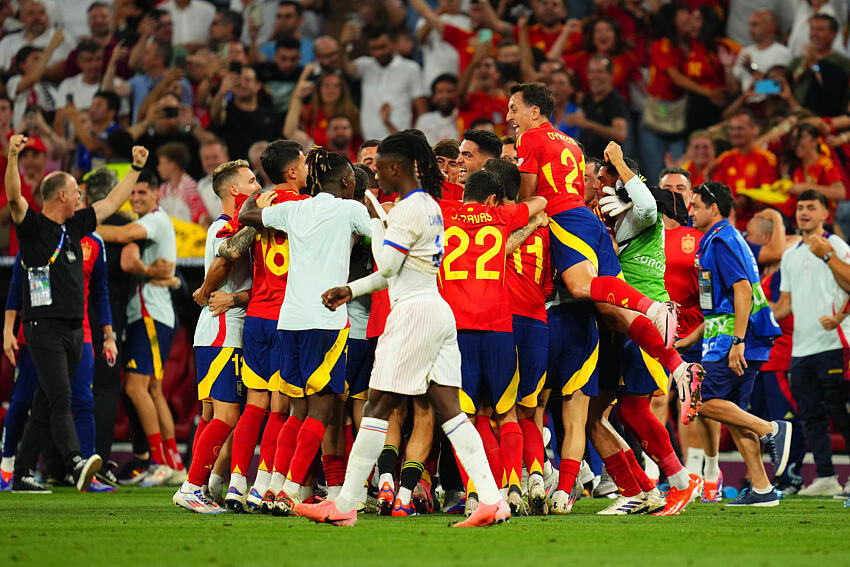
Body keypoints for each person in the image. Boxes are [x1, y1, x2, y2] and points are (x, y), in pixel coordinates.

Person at [296, 130, 509, 527]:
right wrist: (349, 289)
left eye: (380, 168)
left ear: (397, 168)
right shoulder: (429, 204)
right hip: (435, 309)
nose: (376, 175)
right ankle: (493, 500)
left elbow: (389, 268)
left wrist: (377, 227)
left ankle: (344, 505)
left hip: (412, 314)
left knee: (378, 404)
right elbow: (397, 270)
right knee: (450, 409)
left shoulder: (409, 210)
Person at [4, 134, 148, 493]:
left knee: (43, 401)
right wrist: (11, 157)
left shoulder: (75, 226)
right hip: (43, 328)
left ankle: (21, 471)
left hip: (73, 328)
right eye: (75, 191)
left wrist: (136, 169)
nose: (83, 198)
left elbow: (112, 201)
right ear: (62, 196)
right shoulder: (34, 229)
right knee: (61, 398)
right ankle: (75, 462)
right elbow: (14, 197)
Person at [236, 146, 367, 515]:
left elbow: (248, 214)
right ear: (347, 181)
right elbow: (382, 238)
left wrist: (258, 197)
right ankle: (291, 490)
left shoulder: (294, 208)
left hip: (289, 319)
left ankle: (273, 486)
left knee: (296, 409)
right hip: (326, 319)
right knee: (322, 409)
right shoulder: (349, 209)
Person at [438, 168, 546, 516]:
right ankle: (515, 483)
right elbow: (540, 202)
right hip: (499, 328)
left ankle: (475, 493)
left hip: (456, 332)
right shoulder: (500, 215)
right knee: (507, 412)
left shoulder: (443, 211)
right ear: (491, 199)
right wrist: (533, 221)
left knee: (464, 417)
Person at [209, 140, 310, 513]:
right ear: (292, 170)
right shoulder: (306, 207)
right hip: (289, 318)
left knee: (254, 405)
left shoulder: (256, 206)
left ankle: (237, 484)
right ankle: (264, 485)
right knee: (281, 408)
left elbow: (230, 249)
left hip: (256, 317)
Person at [689, 181, 791, 506]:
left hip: (733, 337)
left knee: (701, 402)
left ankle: (771, 429)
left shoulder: (721, 240)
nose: (691, 210)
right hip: (735, 335)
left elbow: (743, 289)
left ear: (713, 208)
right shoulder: (724, 239)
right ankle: (762, 489)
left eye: (696, 205)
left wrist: (738, 341)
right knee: (733, 413)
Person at [173, 159, 259, 513]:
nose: (258, 185)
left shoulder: (222, 226)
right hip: (225, 329)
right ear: (235, 190)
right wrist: (213, 289)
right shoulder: (228, 227)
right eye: (252, 180)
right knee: (225, 415)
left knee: (211, 416)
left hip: (214, 329)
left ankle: (200, 485)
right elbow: (225, 263)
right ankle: (193, 487)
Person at [96, 169, 181, 487]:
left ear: (156, 193)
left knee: (134, 387)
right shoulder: (153, 224)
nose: (136, 197)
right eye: (133, 193)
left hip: (151, 315)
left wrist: (82, 225)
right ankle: (172, 463)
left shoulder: (155, 221)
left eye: (142, 192)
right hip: (150, 314)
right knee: (152, 390)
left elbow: (121, 236)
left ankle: (158, 461)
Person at [770, 191, 850, 497]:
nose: (803, 212)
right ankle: (827, 475)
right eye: (800, 207)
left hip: (833, 342)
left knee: (839, 412)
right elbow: (785, 305)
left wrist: (828, 256)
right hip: (801, 349)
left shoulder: (836, 245)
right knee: (811, 415)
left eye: (810, 208)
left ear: (824, 215)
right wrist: (756, 316)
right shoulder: (790, 254)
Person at [342, 28, 428, 140]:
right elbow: (346, 68)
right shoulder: (365, 66)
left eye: (383, 47)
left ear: (393, 44)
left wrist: (417, 140)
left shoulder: (411, 68)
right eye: (374, 49)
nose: (379, 53)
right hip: (369, 141)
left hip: (400, 141)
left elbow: (422, 109)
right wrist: (343, 46)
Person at [211, 65, 284, 162]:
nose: (242, 84)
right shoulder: (226, 111)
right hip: (235, 170)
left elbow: (279, 141)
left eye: (248, 80)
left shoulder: (270, 114)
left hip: (264, 170)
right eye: (237, 80)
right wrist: (222, 91)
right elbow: (215, 116)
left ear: (258, 85)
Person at [790, 14, 850, 117]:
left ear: (833, 35)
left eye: (820, 30)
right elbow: (781, 85)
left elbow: (834, 94)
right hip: (792, 113)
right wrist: (802, 68)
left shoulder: (841, 62)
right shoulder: (798, 60)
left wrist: (815, 66)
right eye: (812, 29)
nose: (814, 34)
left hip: (825, 117)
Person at [575, 56, 629, 160]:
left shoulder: (615, 101)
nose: (595, 77)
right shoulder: (587, 99)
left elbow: (621, 134)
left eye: (599, 72)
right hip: (588, 164)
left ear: (610, 75)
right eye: (591, 72)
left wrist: (588, 124)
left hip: (607, 167)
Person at [730, 11, 792, 95]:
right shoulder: (745, 51)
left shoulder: (782, 53)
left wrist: (751, 68)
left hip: (766, 105)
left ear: (771, 26)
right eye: (750, 25)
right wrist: (728, 68)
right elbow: (733, 90)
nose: (750, 30)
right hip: (744, 103)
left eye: (755, 25)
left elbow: (777, 87)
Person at [156, 141, 210, 227]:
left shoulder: (190, 188)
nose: (158, 168)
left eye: (161, 163)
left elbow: (202, 219)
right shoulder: (162, 190)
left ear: (172, 165)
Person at [415, 74, 460, 146]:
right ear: (433, 97)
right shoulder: (424, 119)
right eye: (440, 92)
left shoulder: (462, 117)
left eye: (449, 91)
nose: (444, 96)